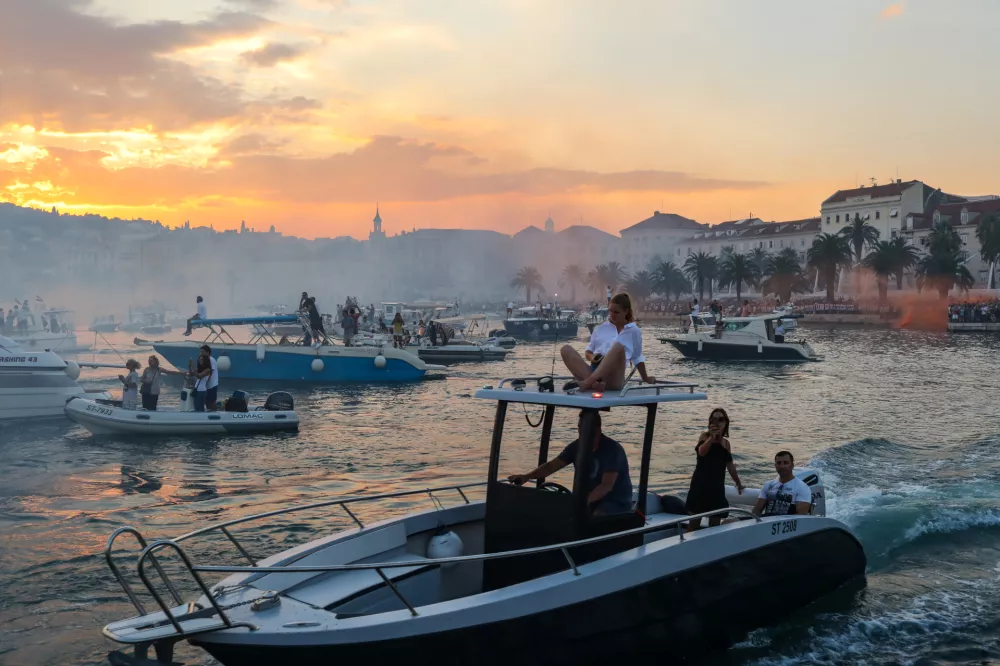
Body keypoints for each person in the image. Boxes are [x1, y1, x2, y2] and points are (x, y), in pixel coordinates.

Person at [507, 411, 633, 515]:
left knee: (598, 515)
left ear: (598, 429)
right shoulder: (576, 446)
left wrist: (584, 501)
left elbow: (606, 486)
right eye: (580, 427)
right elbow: (551, 466)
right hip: (587, 499)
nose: (582, 432)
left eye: (586, 429)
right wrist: (526, 476)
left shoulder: (612, 450)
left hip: (615, 501)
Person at [560, 293, 655, 392]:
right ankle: (595, 384)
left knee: (618, 346)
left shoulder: (633, 331)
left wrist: (645, 378)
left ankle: (588, 383)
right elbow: (588, 352)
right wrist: (593, 357)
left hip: (614, 377)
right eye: (610, 311)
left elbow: (637, 358)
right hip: (594, 370)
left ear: (626, 311)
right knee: (565, 349)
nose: (612, 315)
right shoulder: (600, 328)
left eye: (616, 312)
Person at [684, 408, 744, 531]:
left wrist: (738, 483)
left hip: (716, 487)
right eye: (714, 419)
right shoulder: (704, 437)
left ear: (726, 423)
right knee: (694, 524)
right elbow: (701, 452)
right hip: (700, 485)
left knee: (715, 525)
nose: (717, 422)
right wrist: (711, 438)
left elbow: (730, 465)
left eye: (721, 419)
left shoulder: (726, 443)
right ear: (710, 422)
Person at [753, 451, 812, 516]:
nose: (782, 466)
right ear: (775, 466)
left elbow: (801, 516)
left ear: (792, 466)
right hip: (768, 521)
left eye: (785, 463)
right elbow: (756, 511)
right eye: (779, 463)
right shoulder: (768, 485)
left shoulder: (802, 487)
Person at [193, 345, 219, 410]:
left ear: (208, 352)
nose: (201, 353)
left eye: (203, 352)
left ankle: (215, 413)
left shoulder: (211, 360)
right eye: (200, 352)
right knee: (206, 403)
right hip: (206, 386)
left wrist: (204, 382)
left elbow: (210, 372)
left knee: (210, 403)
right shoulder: (204, 360)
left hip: (212, 385)